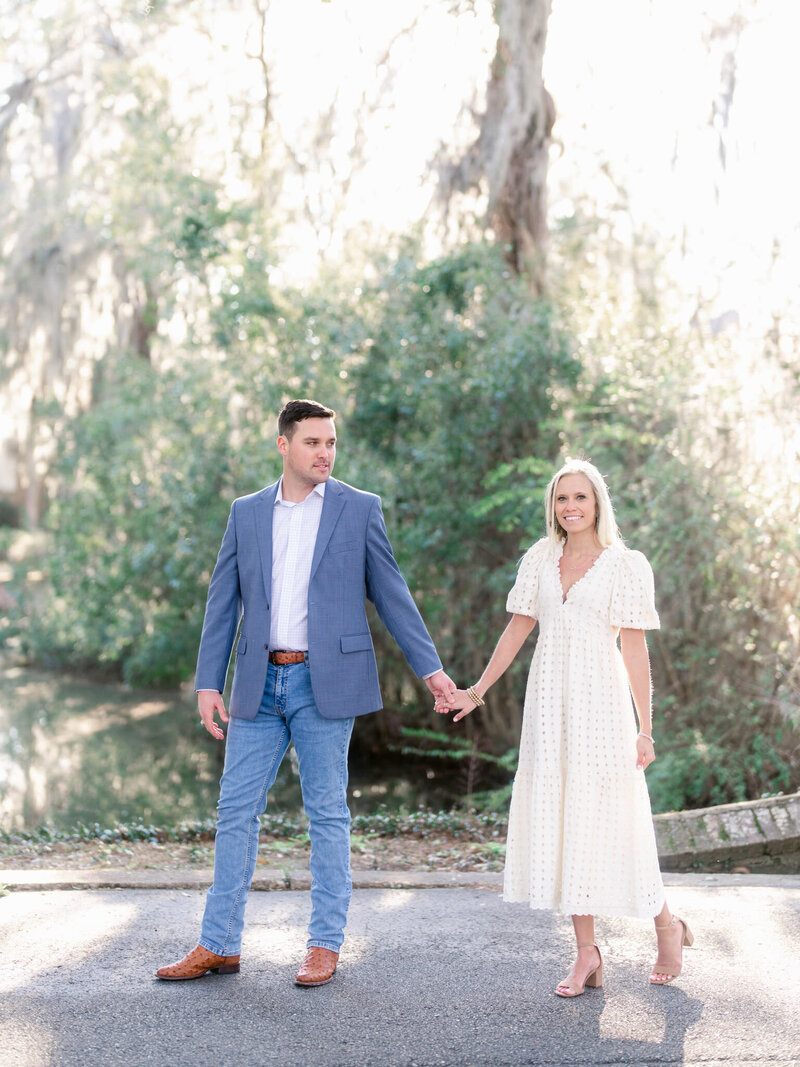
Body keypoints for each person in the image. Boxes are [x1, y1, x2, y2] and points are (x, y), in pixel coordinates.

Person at [157, 399, 455, 987]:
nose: (325, 453)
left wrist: (433, 672)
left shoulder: (358, 508)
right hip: (257, 682)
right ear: (284, 445)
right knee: (235, 811)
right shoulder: (246, 513)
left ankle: (324, 944)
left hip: (326, 683)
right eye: (313, 442)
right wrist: (207, 681)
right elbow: (223, 601)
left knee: (326, 813)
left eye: (331, 443)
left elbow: (392, 595)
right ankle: (218, 942)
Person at [436, 459, 693, 995]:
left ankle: (666, 925)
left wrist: (645, 728)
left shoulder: (626, 565)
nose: (570, 507)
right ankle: (586, 954)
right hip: (550, 708)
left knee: (619, 823)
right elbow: (517, 629)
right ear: (552, 507)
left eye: (580, 497)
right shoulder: (539, 558)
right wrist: (476, 691)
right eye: (561, 499)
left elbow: (635, 649)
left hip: (602, 709)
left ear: (598, 501)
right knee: (565, 822)